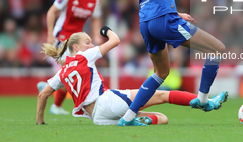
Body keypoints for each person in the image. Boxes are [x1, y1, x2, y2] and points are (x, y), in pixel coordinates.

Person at [37, 27, 227, 126]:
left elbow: (43, 94)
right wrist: (106, 30)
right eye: (88, 42)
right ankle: (206, 101)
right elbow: (116, 41)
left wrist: (40, 121)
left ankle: (132, 120)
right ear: (76, 48)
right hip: (107, 102)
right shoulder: (84, 56)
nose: (92, 44)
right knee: (162, 95)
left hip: (97, 117)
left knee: (162, 118)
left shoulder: (61, 72)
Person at [37, 0, 102, 115]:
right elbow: (51, 12)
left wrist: (97, 36)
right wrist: (50, 35)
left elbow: (96, 18)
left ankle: (48, 89)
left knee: (71, 72)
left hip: (77, 40)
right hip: (62, 36)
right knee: (72, 70)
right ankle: (55, 103)